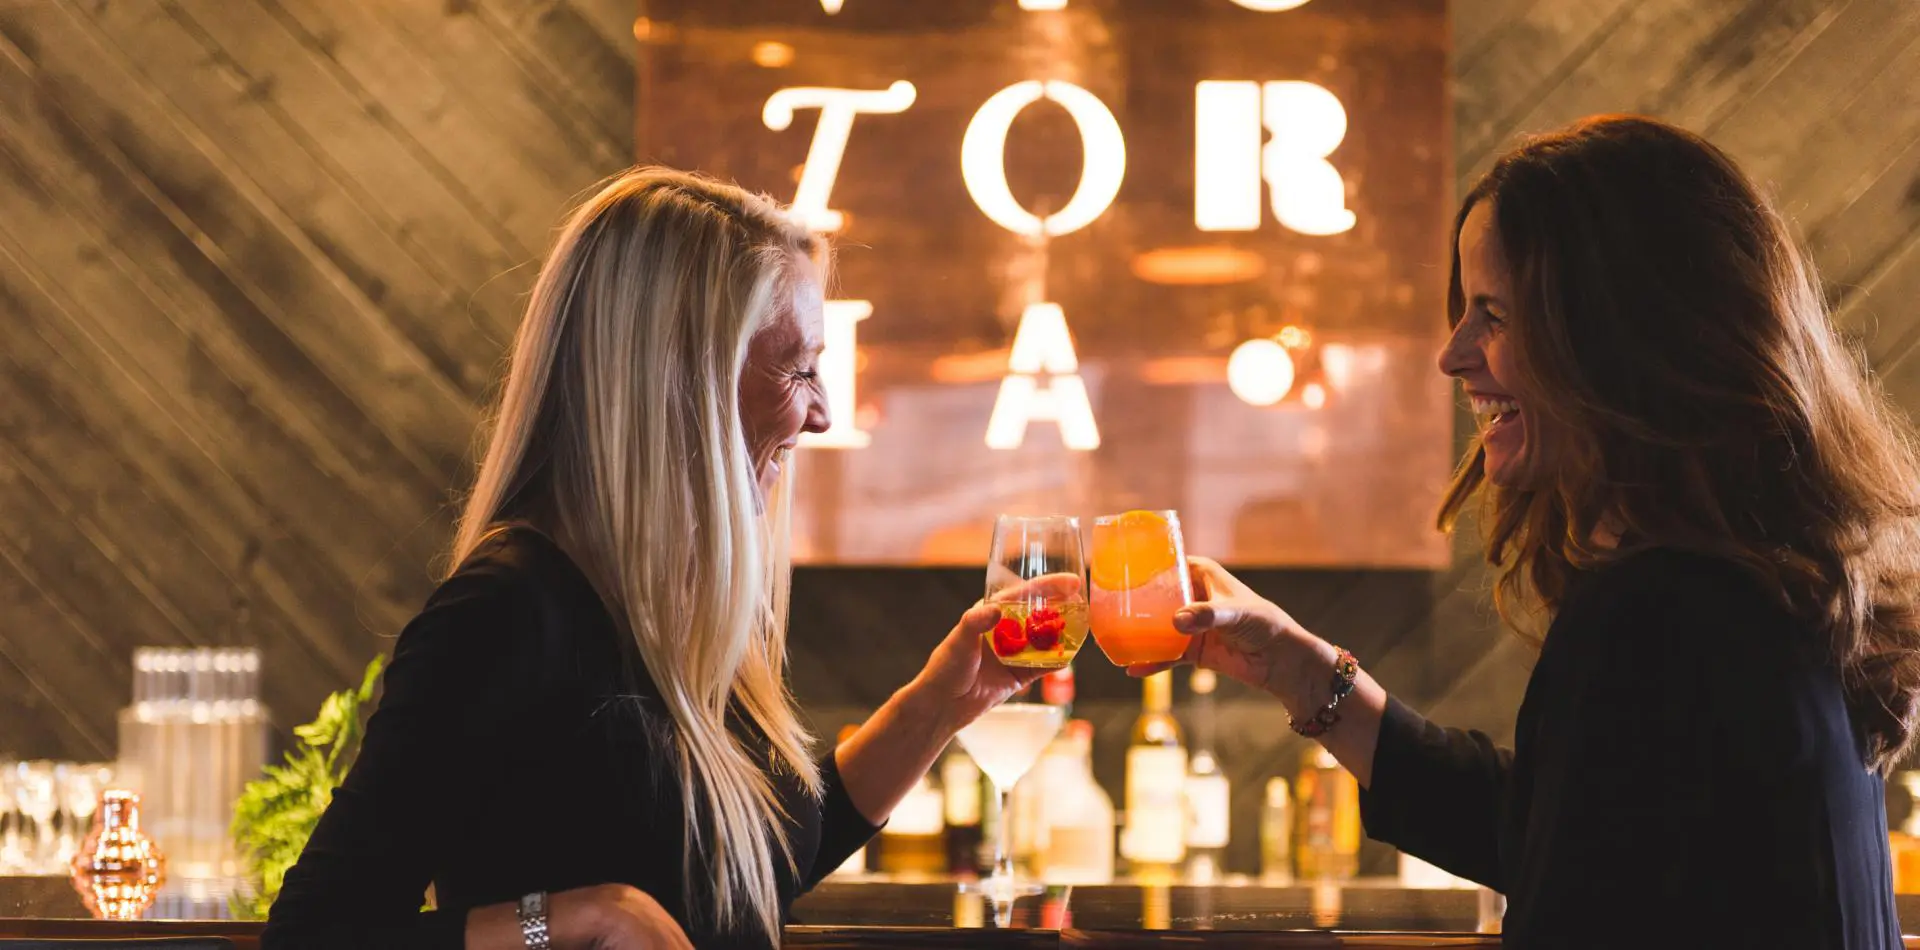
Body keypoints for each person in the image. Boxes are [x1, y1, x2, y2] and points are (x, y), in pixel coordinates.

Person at [1147, 116, 1920, 948]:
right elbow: (1567, 830)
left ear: (1618, 338)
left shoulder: (1655, 614)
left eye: (1494, 315)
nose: (1453, 354)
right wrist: (1307, 675)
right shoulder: (1765, 589)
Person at [262, 168, 1053, 950]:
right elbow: (319, 932)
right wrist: (577, 916)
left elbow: (753, 874)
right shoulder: (505, 611)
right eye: (799, 369)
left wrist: (942, 703)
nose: (822, 414)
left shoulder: (667, 602)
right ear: (681, 376)